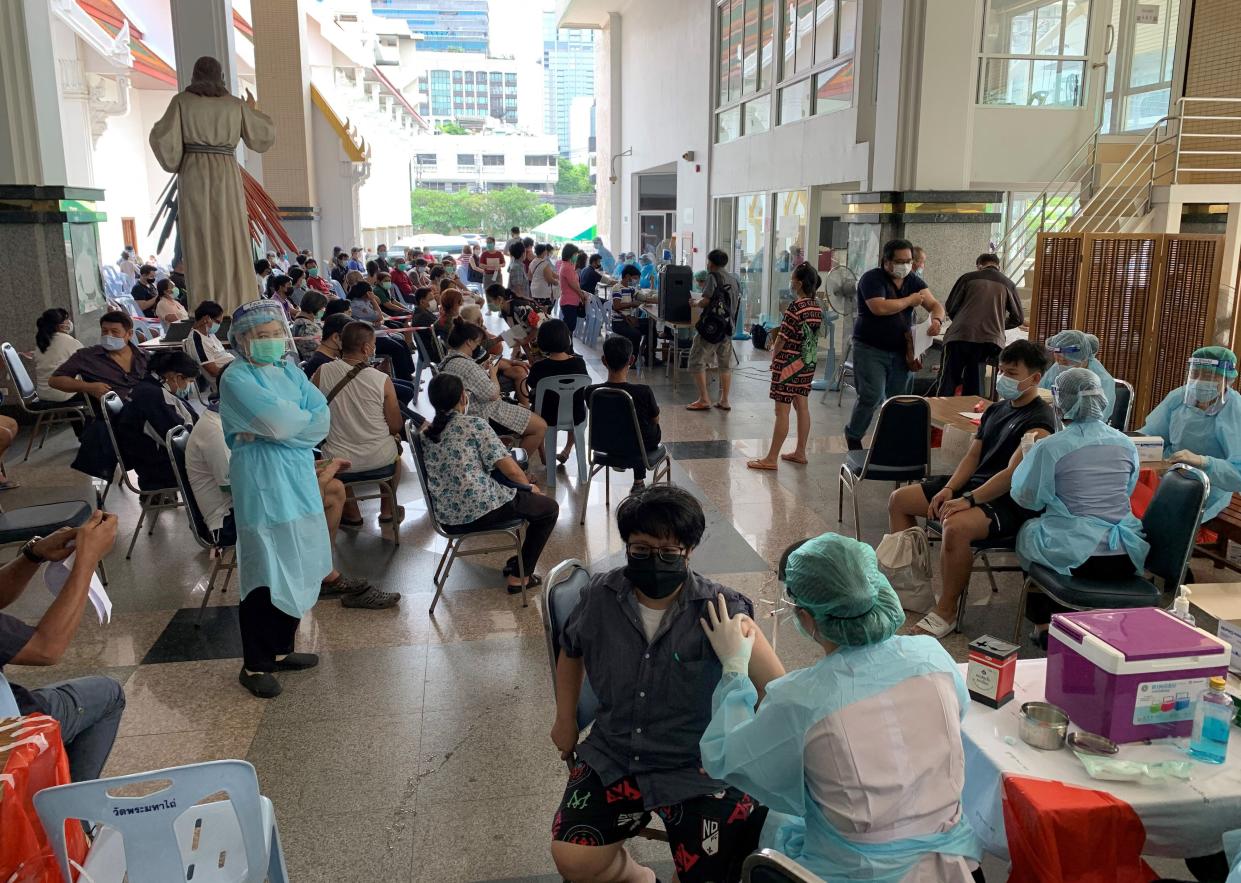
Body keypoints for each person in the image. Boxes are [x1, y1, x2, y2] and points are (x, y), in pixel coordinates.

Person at [699, 532, 981, 882]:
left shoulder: (803, 698)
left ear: (805, 618)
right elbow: (953, 720)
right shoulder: (933, 657)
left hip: (858, 873)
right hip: (954, 863)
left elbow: (730, 758)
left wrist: (734, 671)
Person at [549, 485, 783, 883]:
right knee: (574, 859)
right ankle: (638, 877)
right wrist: (565, 718)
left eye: (668, 552)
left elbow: (777, 689)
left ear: (689, 550)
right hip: (616, 752)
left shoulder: (721, 610)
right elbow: (571, 651)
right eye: (640, 549)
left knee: (713, 873)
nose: (654, 560)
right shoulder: (599, 597)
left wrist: (742, 721)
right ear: (626, 546)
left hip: (700, 765)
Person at [888, 340, 1054, 636]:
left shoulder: (1040, 422)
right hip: (975, 485)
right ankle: (912, 588)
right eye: (1002, 371)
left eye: (1012, 373)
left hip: (1009, 499)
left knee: (956, 526)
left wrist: (968, 500)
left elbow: (1011, 474)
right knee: (900, 500)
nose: (1004, 378)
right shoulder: (996, 409)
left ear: (1035, 378)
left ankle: (947, 610)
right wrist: (951, 489)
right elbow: (973, 456)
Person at [219, 300, 332, 698]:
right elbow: (279, 423)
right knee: (265, 568)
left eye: (273, 334)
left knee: (298, 558)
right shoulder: (236, 378)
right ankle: (256, 664)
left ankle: (283, 649)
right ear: (241, 340)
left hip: (297, 476)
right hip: (262, 480)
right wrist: (284, 427)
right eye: (260, 336)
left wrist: (285, 428)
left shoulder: (288, 370)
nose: (269, 341)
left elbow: (320, 418)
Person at [1011, 368, 1149, 642]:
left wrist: (1031, 462)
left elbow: (1027, 497)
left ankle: (1044, 624)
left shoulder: (1051, 447)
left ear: (1060, 403)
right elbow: (1127, 489)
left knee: (1030, 532)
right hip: (1126, 555)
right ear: (1100, 399)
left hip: (1079, 558)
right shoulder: (1126, 444)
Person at [0, 512, 125, 781]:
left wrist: (34, 554)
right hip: (7, 735)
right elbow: (46, 648)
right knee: (108, 693)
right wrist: (87, 560)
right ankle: (71, 815)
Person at [420, 373, 558, 592]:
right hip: (480, 510)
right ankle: (520, 577)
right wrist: (528, 489)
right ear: (462, 399)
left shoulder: (426, 434)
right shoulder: (474, 425)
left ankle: (518, 561)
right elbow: (512, 471)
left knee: (528, 503)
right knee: (548, 509)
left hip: (447, 516)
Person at [845, 239, 946, 450]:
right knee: (872, 395)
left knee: (898, 399)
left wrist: (936, 320)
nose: (905, 266)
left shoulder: (913, 281)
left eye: (909, 261)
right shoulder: (871, 279)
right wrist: (910, 301)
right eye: (900, 261)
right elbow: (879, 307)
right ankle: (854, 435)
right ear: (886, 261)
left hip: (902, 351)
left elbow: (935, 304)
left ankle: (889, 441)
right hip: (870, 348)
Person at [313, 322, 404, 529]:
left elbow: (313, 412)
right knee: (396, 452)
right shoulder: (381, 379)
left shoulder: (322, 372)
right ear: (365, 348)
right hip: (379, 459)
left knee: (335, 450)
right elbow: (396, 425)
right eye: (373, 345)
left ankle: (352, 513)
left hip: (339, 461)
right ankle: (388, 510)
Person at [1138, 346, 1241, 522]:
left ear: (1227, 379)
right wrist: (1131, 448)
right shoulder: (1178, 397)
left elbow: (1237, 474)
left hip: (1208, 488)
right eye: (1195, 374)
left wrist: (1202, 462)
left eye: (1208, 376)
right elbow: (1152, 435)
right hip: (1166, 474)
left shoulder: (1235, 410)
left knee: (1156, 521)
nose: (1199, 381)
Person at [747, 264, 823, 470]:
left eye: (792, 279)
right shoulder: (817, 306)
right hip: (807, 363)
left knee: (782, 411)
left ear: (798, 283)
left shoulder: (796, 307)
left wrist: (774, 356)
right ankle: (800, 452)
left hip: (789, 364)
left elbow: (782, 337)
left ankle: (771, 458)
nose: (790, 283)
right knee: (803, 407)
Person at [439, 320, 548, 464]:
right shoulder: (467, 366)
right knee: (540, 426)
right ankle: (516, 471)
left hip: (469, 412)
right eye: (477, 342)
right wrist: (493, 374)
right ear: (469, 342)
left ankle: (511, 462)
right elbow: (493, 394)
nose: (479, 346)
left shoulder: (449, 360)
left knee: (530, 418)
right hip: (485, 414)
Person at [939, 254, 1024, 397]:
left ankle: (937, 414)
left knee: (947, 380)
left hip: (959, 336)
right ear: (999, 266)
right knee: (975, 383)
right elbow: (1018, 318)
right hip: (989, 342)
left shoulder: (967, 278)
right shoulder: (1008, 283)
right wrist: (996, 324)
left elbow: (951, 307)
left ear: (979, 266)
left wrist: (961, 321)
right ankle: (971, 416)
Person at [114, 350, 199, 490]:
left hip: (155, 458)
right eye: (189, 382)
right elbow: (178, 440)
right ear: (175, 377)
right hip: (158, 469)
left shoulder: (149, 386)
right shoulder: (152, 397)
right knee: (219, 465)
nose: (188, 387)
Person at [587, 335, 662, 491]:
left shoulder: (592, 392)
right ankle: (639, 482)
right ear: (631, 360)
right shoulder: (643, 392)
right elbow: (655, 419)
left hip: (606, 445)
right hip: (639, 447)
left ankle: (635, 478)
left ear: (603, 360)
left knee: (622, 426)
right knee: (642, 428)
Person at [50, 311, 149, 403]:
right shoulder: (87, 357)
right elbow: (55, 380)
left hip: (148, 406)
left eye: (115, 332)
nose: (108, 336)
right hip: (116, 414)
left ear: (129, 334)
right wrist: (88, 387)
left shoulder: (143, 356)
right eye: (105, 331)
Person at [527, 319, 588, 463]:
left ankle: (544, 454)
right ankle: (567, 449)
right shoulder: (579, 363)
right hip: (575, 414)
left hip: (544, 416)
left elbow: (531, 384)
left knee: (532, 418)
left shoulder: (539, 367)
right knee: (578, 406)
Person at [687, 249, 740, 412]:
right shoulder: (734, 278)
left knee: (696, 360)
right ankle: (724, 400)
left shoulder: (713, 276)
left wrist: (695, 303)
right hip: (728, 327)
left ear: (711, 263)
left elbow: (707, 300)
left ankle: (704, 399)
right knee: (724, 364)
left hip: (712, 328)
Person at [1039, 329, 1116, 422]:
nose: (1061, 365)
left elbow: (1096, 417)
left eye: (1065, 362)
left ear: (1082, 358)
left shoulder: (1103, 381)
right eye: (1057, 360)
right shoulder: (1058, 367)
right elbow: (1041, 391)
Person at [34, 308, 84, 403]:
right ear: (59, 325)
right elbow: (87, 364)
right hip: (63, 394)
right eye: (66, 319)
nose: (69, 322)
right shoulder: (70, 341)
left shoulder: (41, 343)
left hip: (43, 393)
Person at [184, 300, 234, 382]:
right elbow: (213, 371)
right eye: (217, 322)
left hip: (232, 371)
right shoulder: (197, 340)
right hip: (226, 379)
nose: (218, 326)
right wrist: (236, 372)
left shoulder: (209, 334)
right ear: (206, 318)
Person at [290, 290, 327, 362]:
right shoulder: (308, 328)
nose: (324, 310)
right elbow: (325, 349)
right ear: (315, 307)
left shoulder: (301, 321)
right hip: (316, 364)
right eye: (322, 308)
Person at [557, 243, 586, 332]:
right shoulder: (567, 267)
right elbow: (573, 285)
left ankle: (568, 345)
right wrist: (582, 295)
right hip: (569, 302)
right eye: (575, 254)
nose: (576, 256)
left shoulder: (568, 265)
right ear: (570, 254)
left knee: (570, 327)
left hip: (570, 301)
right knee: (569, 327)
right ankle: (566, 345)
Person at [530, 243, 558, 309]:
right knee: (544, 311)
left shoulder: (533, 262)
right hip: (542, 292)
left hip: (534, 290)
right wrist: (557, 283)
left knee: (537, 310)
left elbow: (529, 276)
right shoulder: (545, 264)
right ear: (544, 251)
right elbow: (549, 279)